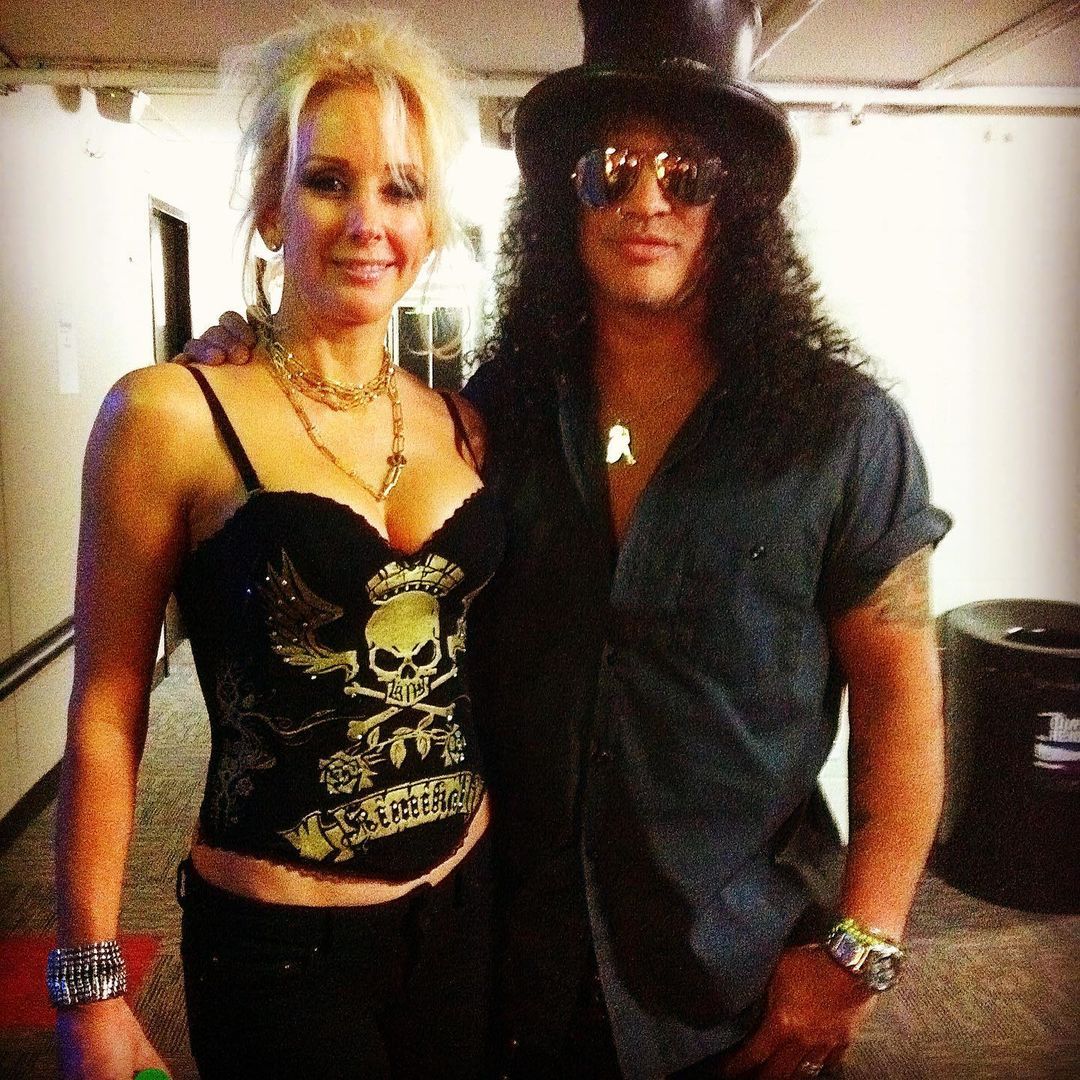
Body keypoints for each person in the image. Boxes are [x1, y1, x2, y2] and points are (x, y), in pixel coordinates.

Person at [188, 2, 951, 1077]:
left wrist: (862, 947)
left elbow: (903, 704)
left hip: (732, 989)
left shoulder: (840, 432)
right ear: (565, 196)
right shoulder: (493, 414)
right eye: (610, 170)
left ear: (737, 202)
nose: (647, 200)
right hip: (511, 973)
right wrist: (251, 358)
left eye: (687, 174)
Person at [52, 9, 500, 1079]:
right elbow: (107, 706)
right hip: (281, 956)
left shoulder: (464, 424)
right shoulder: (168, 415)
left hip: (468, 912)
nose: (368, 221)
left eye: (402, 188)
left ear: (432, 224)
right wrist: (90, 988)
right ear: (269, 206)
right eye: (328, 181)